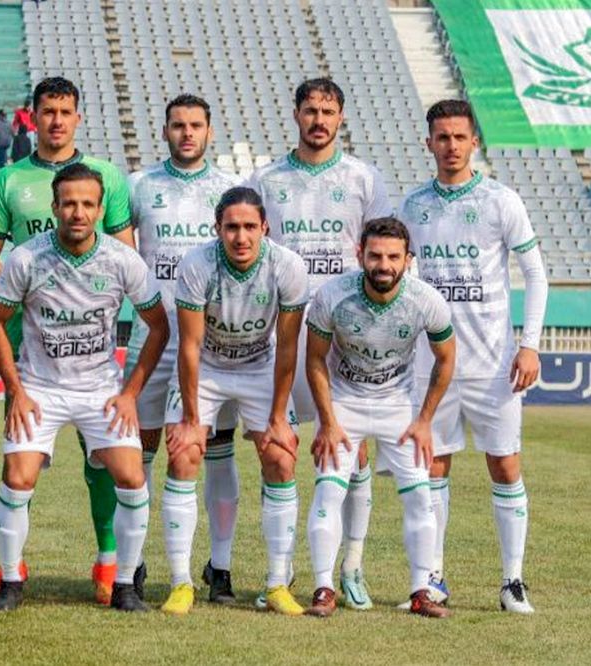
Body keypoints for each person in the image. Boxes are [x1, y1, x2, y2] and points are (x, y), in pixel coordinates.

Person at [0, 76, 134, 604]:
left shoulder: (106, 177)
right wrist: (28, 291)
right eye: (48, 111)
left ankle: (108, 560)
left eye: (66, 112)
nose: (57, 121)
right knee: (19, 457)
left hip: (88, 342)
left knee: (103, 459)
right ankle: (12, 564)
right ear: (34, 116)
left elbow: (124, 252)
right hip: (27, 338)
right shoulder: (9, 179)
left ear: (78, 118)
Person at [0, 163, 168, 612]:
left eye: (88, 204)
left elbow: (159, 327)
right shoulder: (26, 258)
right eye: (69, 203)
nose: (78, 212)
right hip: (40, 388)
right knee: (18, 477)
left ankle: (124, 584)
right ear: (54, 206)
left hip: (100, 390)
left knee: (132, 477)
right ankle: (10, 580)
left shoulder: (123, 259)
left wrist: (129, 393)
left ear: (101, 209)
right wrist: (17, 390)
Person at [246, 78, 392, 610]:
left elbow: (385, 250)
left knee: (353, 451)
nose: (319, 120)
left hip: (346, 337)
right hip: (280, 335)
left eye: (328, 111)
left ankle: (351, 567)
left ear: (341, 116)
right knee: (278, 450)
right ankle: (279, 574)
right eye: (311, 110)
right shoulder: (266, 179)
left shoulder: (364, 178)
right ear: (296, 114)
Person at [399, 99, 547, 613]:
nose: (451, 146)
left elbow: (536, 274)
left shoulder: (501, 200)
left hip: (493, 364)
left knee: (505, 465)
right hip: (432, 365)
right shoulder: (412, 206)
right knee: (432, 467)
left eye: (460, 137)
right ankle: (432, 579)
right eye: (442, 137)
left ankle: (512, 581)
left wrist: (529, 344)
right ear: (429, 143)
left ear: (474, 142)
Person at [162, 187, 306, 615]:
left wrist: (278, 418)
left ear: (265, 228)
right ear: (217, 229)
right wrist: (192, 419)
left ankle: (277, 583)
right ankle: (181, 582)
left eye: (249, 227)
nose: (240, 237)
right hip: (207, 367)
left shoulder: (288, 266)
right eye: (231, 227)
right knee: (184, 454)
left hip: (260, 366)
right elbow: (189, 346)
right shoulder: (197, 265)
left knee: (281, 457)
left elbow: (288, 347)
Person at [305, 216, 456, 619]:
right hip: (345, 403)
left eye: (393, 257)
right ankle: (323, 588)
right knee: (328, 491)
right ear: (360, 255)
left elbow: (446, 359)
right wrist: (328, 421)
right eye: (375, 256)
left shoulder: (426, 300)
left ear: (408, 259)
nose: (383, 265)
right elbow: (315, 358)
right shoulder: (331, 296)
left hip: (398, 407)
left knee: (420, 496)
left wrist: (424, 420)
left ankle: (421, 591)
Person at [122, 94, 240, 604]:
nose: (187, 133)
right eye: (178, 125)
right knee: (141, 452)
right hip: (154, 337)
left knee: (216, 450)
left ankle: (221, 566)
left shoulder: (231, 189)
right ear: (165, 130)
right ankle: (133, 564)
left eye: (195, 125)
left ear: (210, 131)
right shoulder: (139, 185)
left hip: (215, 345)